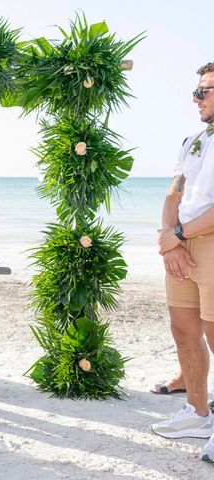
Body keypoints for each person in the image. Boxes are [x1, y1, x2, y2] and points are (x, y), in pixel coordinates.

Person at [151, 63, 214, 464]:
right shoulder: (193, 138)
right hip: (184, 242)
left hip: (208, 241)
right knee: (184, 330)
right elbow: (175, 193)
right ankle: (198, 413)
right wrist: (169, 241)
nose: (196, 98)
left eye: (203, 91)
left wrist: (179, 235)